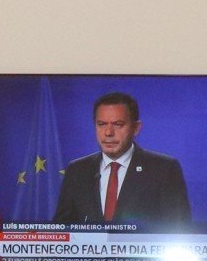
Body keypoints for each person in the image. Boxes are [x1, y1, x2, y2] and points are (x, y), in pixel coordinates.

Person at [53, 90, 191, 227]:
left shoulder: (164, 169)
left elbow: (179, 228)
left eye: (118, 124)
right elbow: (61, 229)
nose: (108, 132)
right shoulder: (77, 170)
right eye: (101, 124)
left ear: (136, 128)